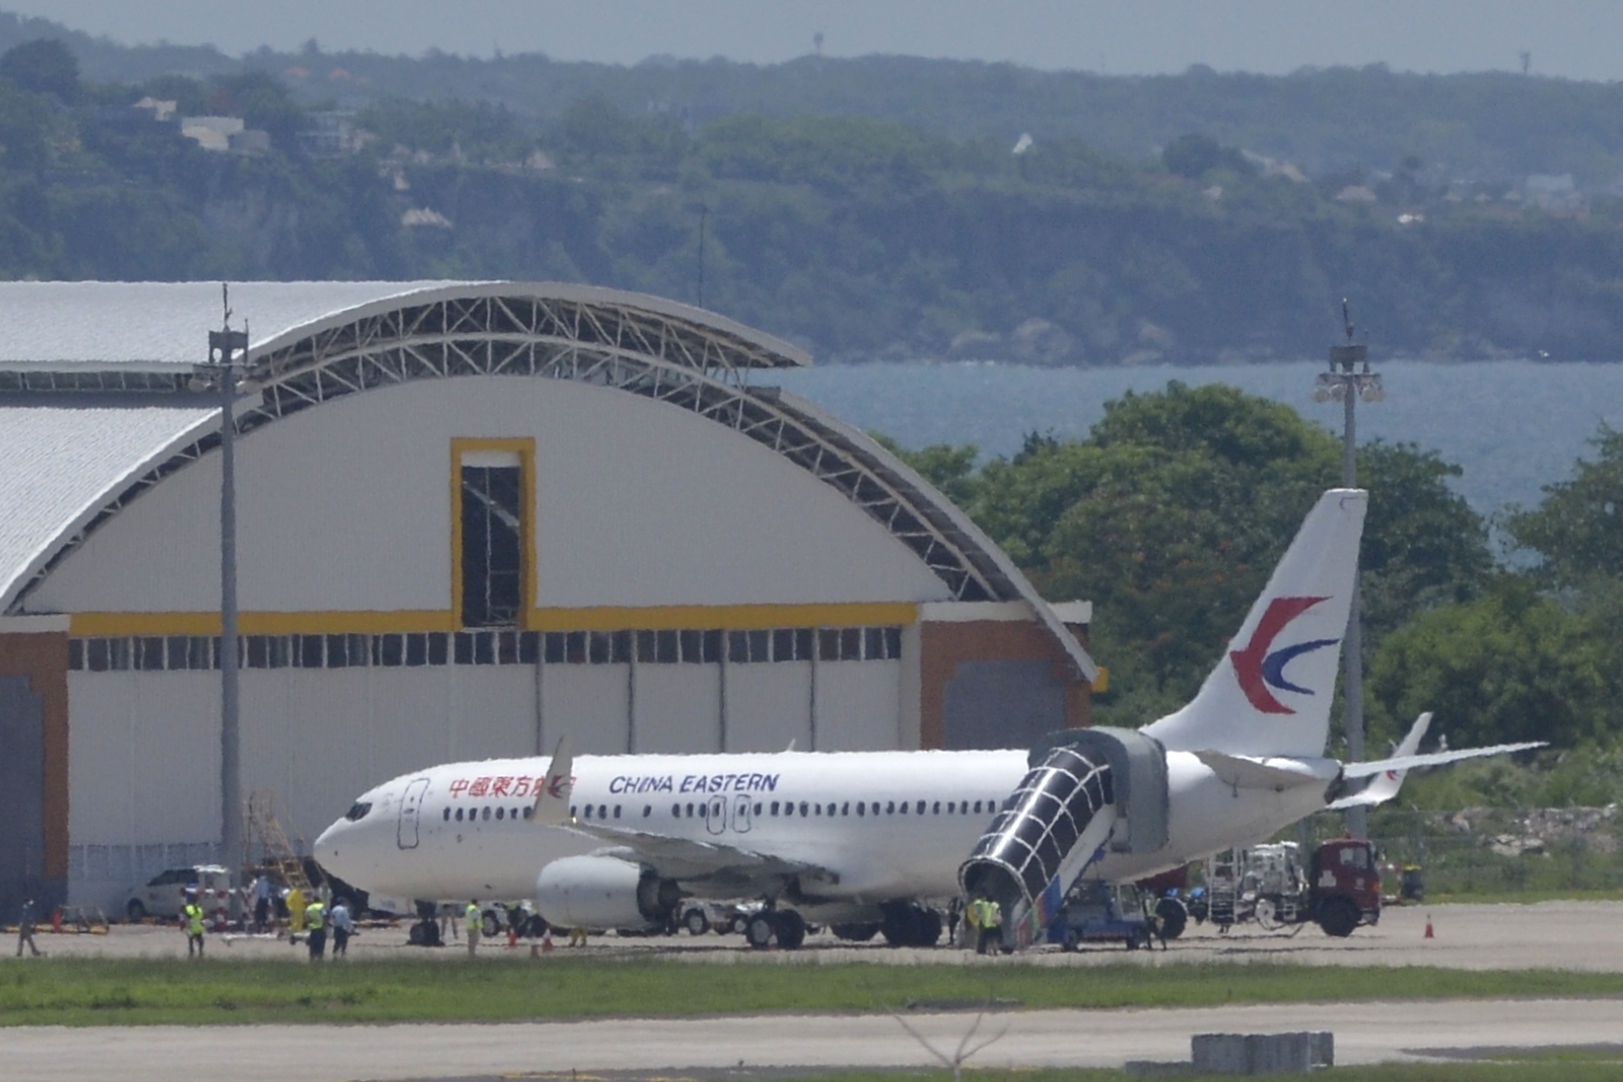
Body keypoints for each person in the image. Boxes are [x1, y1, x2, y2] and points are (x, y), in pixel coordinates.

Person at [182, 891, 206, 959]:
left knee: (198, 941)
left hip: (197, 927)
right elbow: (188, 916)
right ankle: (193, 953)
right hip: (193, 927)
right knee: (193, 941)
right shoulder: (190, 908)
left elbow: (200, 917)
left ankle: (197, 952)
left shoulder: (198, 908)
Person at [304, 895, 327, 961]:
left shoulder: (309, 908)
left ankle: (312, 958)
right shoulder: (321, 907)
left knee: (313, 945)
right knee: (320, 945)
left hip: (313, 929)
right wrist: (325, 926)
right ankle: (320, 958)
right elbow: (324, 916)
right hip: (320, 928)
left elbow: (306, 918)